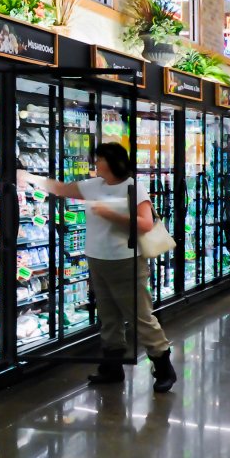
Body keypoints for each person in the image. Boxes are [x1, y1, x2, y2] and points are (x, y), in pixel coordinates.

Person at [18, 142, 177, 393]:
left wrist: (111, 214)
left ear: (112, 162)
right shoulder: (94, 185)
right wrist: (29, 177)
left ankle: (163, 366)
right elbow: (61, 189)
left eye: (99, 159)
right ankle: (112, 367)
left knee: (139, 316)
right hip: (97, 260)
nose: (95, 163)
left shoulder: (133, 188)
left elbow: (146, 224)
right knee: (109, 316)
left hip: (126, 262)